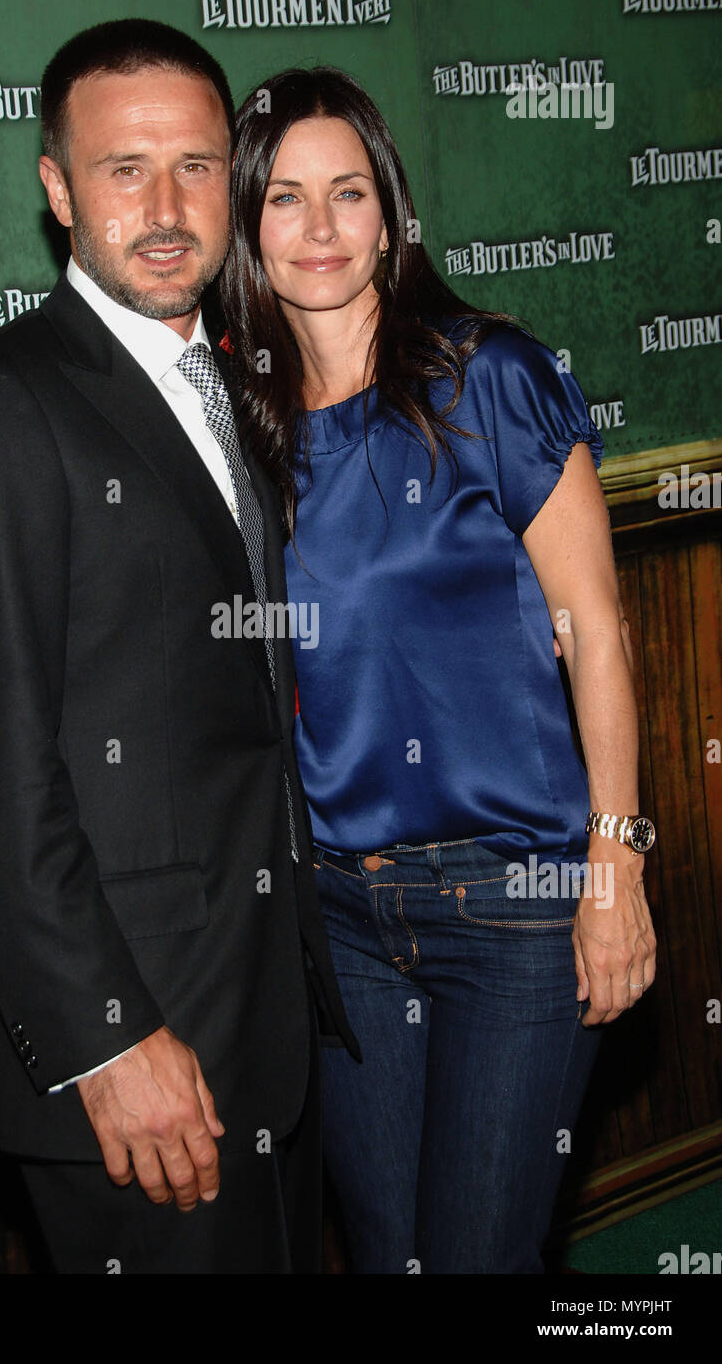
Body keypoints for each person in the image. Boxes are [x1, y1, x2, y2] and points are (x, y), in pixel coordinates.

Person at [0, 22, 357, 1276]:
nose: (165, 208)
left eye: (197, 168)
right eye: (122, 169)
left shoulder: (235, 383)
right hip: (139, 1052)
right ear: (56, 186)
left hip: (268, 1019)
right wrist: (107, 1043)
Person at [222, 66, 658, 1274]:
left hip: (515, 903)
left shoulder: (488, 377)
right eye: (286, 198)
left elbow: (598, 629)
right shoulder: (239, 432)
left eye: (347, 194)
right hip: (341, 919)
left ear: (391, 211)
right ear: (247, 221)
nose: (318, 230)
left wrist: (615, 865)